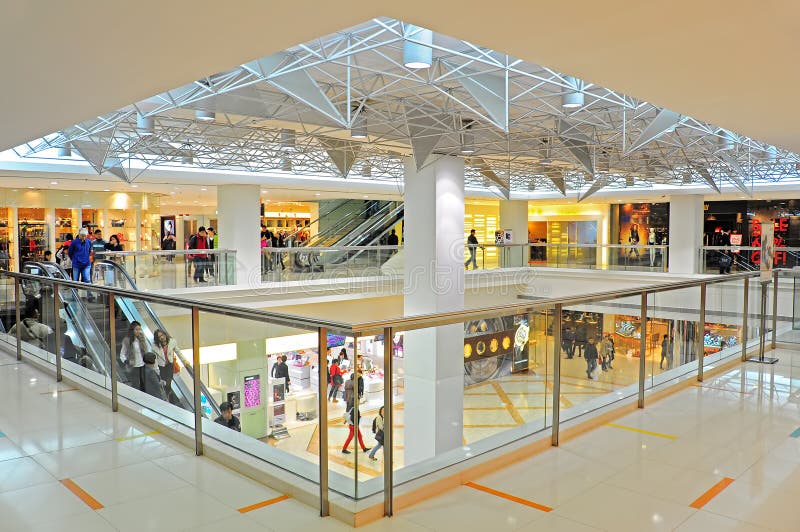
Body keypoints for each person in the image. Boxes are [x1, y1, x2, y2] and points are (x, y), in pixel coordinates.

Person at [153, 328, 180, 401]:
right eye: (159, 337)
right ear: (157, 338)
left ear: (165, 334)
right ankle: (168, 397)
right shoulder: (155, 346)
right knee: (164, 384)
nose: (162, 337)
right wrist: (156, 369)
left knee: (168, 383)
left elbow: (178, 352)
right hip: (161, 367)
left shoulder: (172, 342)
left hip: (169, 366)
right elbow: (155, 359)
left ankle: (169, 398)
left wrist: (184, 360)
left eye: (162, 335)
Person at [120, 321, 147, 390]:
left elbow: (146, 350)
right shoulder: (127, 340)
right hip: (134, 366)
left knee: (144, 384)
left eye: (139, 329)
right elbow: (122, 354)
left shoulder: (141, 339)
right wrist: (127, 361)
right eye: (136, 329)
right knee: (136, 384)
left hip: (143, 365)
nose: (138, 331)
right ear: (132, 330)